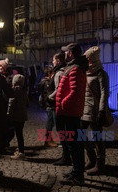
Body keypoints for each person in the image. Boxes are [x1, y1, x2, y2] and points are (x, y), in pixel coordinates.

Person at [55, 43, 88, 186]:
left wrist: (63, 103)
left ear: (71, 53)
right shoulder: (73, 67)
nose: (65, 54)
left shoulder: (75, 69)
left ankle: (77, 175)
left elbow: (75, 91)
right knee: (72, 143)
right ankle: (75, 171)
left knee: (75, 144)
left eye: (67, 52)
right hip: (69, 111)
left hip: (70, 112)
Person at [81, 46, 110, 175]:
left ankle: (100, 164)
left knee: (98, 137)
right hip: (84, 110)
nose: (86, 60)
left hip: (95, 110)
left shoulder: (101, 73)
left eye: (87, 58)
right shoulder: (86, 71)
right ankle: (91, 159)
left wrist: (102, 111)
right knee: (80, 134)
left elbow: (105, 93)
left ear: (92, 59)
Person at [9, 74, 28, 160]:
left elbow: (11, 103)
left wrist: (8, 113)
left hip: (16, 115)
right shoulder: (24, 91)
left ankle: (21, 152)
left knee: (18, 134)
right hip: (23, 115)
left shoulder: (14, 91)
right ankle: (21, 149)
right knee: (19, 133)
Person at [38, 66, 56, 147]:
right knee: (50, 122)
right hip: (49, 104)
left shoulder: (42, 81)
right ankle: (47, 140)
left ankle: (49, 139)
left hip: (46, 104)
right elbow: (47, 94)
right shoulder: (47, 82)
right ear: (49, 73)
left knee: (50, 122)